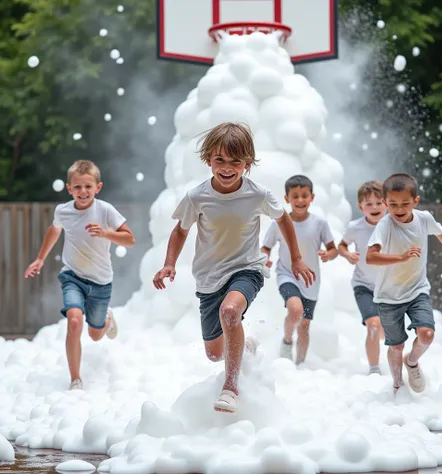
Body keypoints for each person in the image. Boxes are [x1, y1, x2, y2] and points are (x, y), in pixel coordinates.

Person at [153, 122, 315, 414]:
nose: (227, 168)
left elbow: (283, 220)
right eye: (220, 161)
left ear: (248, 163)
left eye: (235, 162)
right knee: (215, 354)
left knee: (230, 312)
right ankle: (244, 344)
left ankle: (231, 387)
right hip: (208, 278)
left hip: (246, 270)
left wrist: (296, 258)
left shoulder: (259, 195)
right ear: (208, 161)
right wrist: (169, 264)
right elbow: (180, 231)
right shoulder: (197, 196)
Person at [24, 160, 135, 391]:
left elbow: (129, 239)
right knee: (74, 321)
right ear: (69, 189)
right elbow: (54, 231)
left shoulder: (105, 210)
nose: (83, 192)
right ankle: (76, 379)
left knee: (95, 334)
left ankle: (106, 320)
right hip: (72, 276)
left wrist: (106, 233)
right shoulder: (63, 211)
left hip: (101, 281)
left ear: (98, 187)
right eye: (77, 187)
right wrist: (40, 258)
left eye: (88, 186)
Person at [366, 173, 442, 393]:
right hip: (388, 297)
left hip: (417, 290)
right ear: (385, 204)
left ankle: (411, 362)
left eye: (405, 203)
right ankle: (397, 384)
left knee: (427, 335)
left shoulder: (424, 219)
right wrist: (400, 258)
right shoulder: (385, 226)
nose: (399, 209)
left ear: (415, 201)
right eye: (393, 204)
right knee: (396, 345)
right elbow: (370, 257)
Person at [261, 175, 337, 365]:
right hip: (287, 274)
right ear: (287, 199)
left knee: (304, 324)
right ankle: (287, 341)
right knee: (296, 310)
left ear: (312, 197)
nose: (300, 200)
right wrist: (264, 259)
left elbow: (333, 248)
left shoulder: (320, 223)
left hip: (311, 280)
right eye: (295, 196)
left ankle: (300, 365)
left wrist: (329, 254)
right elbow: (266, 247)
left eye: (305, 195)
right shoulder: (280, 223)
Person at [338, 181, 386, 375]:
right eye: (369, 204)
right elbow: (342, 245)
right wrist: (348, 254)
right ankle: (374, 369)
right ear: (360, 207)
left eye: (378, 203)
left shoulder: (394, 225)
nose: (374, 208)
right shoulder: (355, 227)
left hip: (388, 286)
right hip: (363, 285)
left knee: (384, 329)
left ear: (387, 203)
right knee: (373, 325)